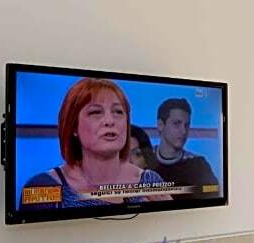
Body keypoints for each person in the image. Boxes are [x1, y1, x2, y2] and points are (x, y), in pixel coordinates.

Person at [20, 78, 171, 209]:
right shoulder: (44, 186)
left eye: (118, 112)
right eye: (96, 112)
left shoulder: (150, 181)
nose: (110, 121)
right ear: (74, 127)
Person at [153, 98, 219, 194]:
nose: (184, 131)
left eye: (186, 125)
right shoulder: (141, 160)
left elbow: (213, 191)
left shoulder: (198, 165)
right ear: (160, 125)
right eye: (177, 124)